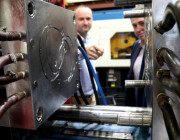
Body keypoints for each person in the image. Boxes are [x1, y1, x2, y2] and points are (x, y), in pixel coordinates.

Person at [71, 5, 104, 105]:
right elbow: (63, 59)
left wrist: (100, 52)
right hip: (75, 97)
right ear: (74, 20)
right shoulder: (68, 40)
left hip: (92, 94)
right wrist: (82, 53)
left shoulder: (93, 39)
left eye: (88, 19)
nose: (85, 23)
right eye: (81, 19)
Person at [124, 4, 147, 107]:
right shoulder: (136, 46)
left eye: (142, 23)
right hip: (139, 105)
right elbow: (131, 77)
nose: (138, 29)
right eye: (134, 25)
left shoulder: (161, 47)